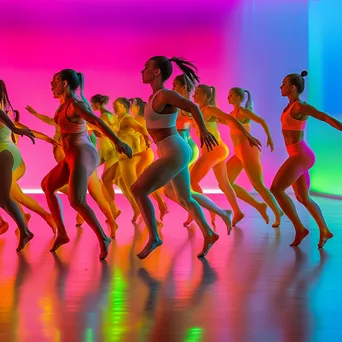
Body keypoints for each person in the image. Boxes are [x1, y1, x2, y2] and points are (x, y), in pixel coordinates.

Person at [132, 56, 228, 260]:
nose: (143, 70)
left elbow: (192, 107)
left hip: (175, 150)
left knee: (138, 190)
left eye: (146, 67)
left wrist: (203, 130)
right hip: (171, 150)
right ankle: (210, 233)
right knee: (185, 197)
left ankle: (155, 237)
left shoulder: (166, 94)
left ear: (157, 72)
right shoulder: (153, 97)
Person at [41, 69, 132, 260]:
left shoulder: (75, 105)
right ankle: (63, 234)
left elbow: (96, 121)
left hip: (82, 152)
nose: (51, 84)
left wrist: (118, 142)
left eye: (55, 81)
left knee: (77, 200)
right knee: (47, 185)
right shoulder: (63, 105)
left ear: (65, 83)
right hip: (72, 154)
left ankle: (103, 237)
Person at [270, 71, 342, 247]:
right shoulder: (289, 106)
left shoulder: (300, 107)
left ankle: (300, 229)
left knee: (276, 189)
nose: (281, 87)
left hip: (301, 155)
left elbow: (324, 116)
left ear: (293, 87)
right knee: (303, 197)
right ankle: (325, 231)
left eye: (284, 84)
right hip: (297, 154)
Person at [191, 84, 261, 226]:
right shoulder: (199, 110)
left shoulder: (210, 109)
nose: (194, 96)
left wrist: (248, 136)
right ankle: (237, 211)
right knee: (223, 183)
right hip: (217, 150)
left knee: (192, 181)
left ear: (206, 96)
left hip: (214, 151)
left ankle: (212, 211)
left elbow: (232, 120)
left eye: (197, 93)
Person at [225, 87, 283, 227]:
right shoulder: (231, 114)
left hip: (248, 151)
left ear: (238, 98)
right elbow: (220, 120)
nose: (228, 98)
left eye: (230, 95)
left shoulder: (243, 111)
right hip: (238, 152)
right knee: (226, 182)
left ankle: (278, 211)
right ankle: (258, 205)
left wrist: (269, 138)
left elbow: (261, 121)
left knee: (258, 185)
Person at [0, 80, 35, 251]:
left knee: (5, 198)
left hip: (4, 153)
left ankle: (25, 230)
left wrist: (15, 129)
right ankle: (23, 229)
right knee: (2, 199)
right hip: (5, 153)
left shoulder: (1, 110)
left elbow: (3, 117)